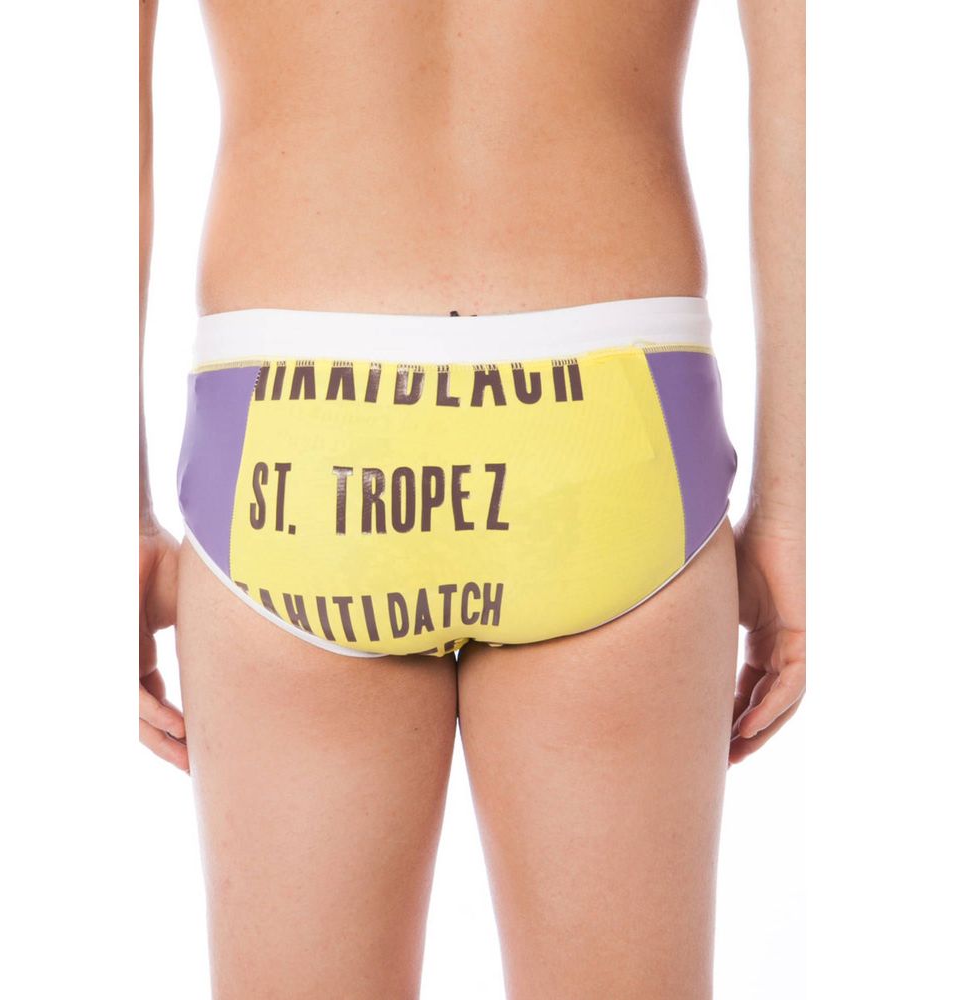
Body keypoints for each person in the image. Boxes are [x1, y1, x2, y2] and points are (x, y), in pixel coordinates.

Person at [139, 0, 804, 996]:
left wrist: (109, 506)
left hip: (294, 431)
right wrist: (793, 507)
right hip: (612, 427)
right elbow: (809, 82)